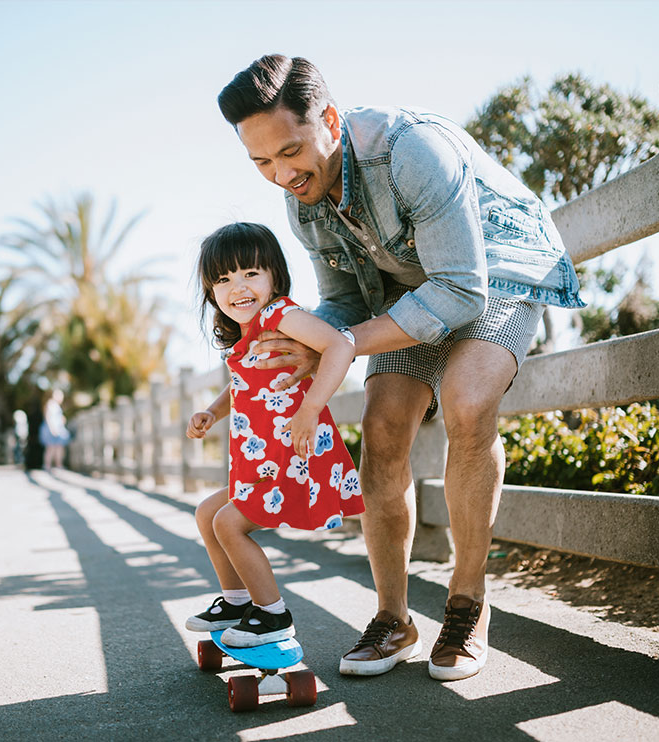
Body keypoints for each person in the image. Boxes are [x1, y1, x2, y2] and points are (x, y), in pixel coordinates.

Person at [217, 55, 585, 679]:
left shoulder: (412, 150)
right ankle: (394, 618)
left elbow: (462, 291)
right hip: (402, 298)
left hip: (495, 278)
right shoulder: (302, 201)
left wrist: (336, 344)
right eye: (261, 163)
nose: (282, 174)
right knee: (383, 429)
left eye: (290, 151)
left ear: (328, 119)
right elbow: (347, 301)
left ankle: (468, 603)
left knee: (468, 403)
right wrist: (313, 339)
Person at [183, 222, 364, 648]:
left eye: (250, 273)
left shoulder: (280, 314)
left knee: (229, 524)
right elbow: (245, 384)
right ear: (211, 292)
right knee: (208, 514)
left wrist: (311, 407)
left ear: (274, 277)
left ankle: (272, 614)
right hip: (264, 461)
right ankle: (236, 601)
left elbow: (339, 345)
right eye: (223, 279)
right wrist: (211, 411)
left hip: (293, 454)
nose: (238, 287)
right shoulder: (248, 334)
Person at [39, 389, 70, 470]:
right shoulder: (51, 404)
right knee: (51, 448)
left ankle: (58, 465)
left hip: (57, 429)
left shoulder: (55, 405)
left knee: (58, 447)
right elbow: (48, 417)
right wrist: (52, 428)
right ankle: (47, 465)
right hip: (52, 429)